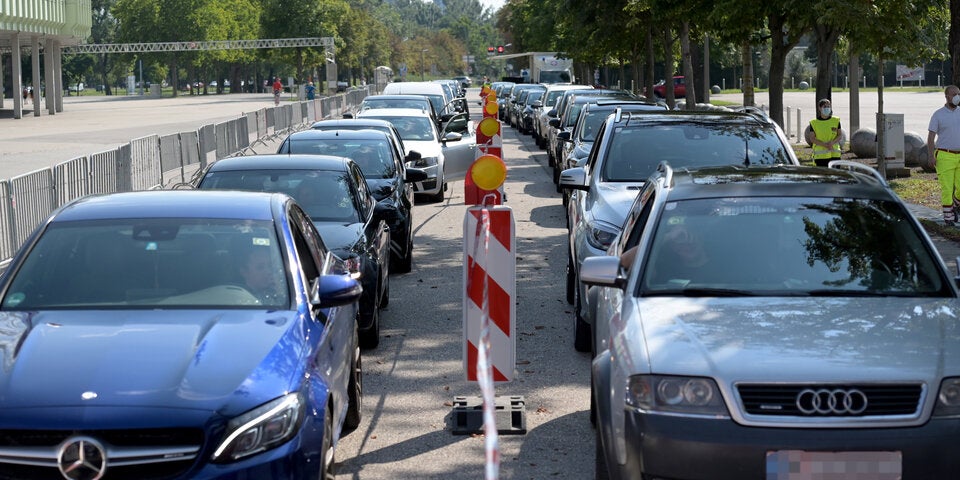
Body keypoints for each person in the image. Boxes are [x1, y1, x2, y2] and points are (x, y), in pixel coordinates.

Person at [928, 85, 960, 226]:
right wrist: (930, 156)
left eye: (958, 94)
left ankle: (954, 205)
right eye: (954, 94)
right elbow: (930, 137)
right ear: (947, 96)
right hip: (944, 156)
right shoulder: (938, 114)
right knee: (947, 188)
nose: (957, 96)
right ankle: (949, 218)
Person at [806, 98, 843, 167]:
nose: (827, 108)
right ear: (819, 108)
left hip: (835, 154)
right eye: (824, 107)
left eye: (828, 106)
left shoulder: (836, 120)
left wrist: (832, 142)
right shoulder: (814, 123)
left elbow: (840, 135)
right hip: (820, 156)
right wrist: (825, 145)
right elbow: (812, 138)